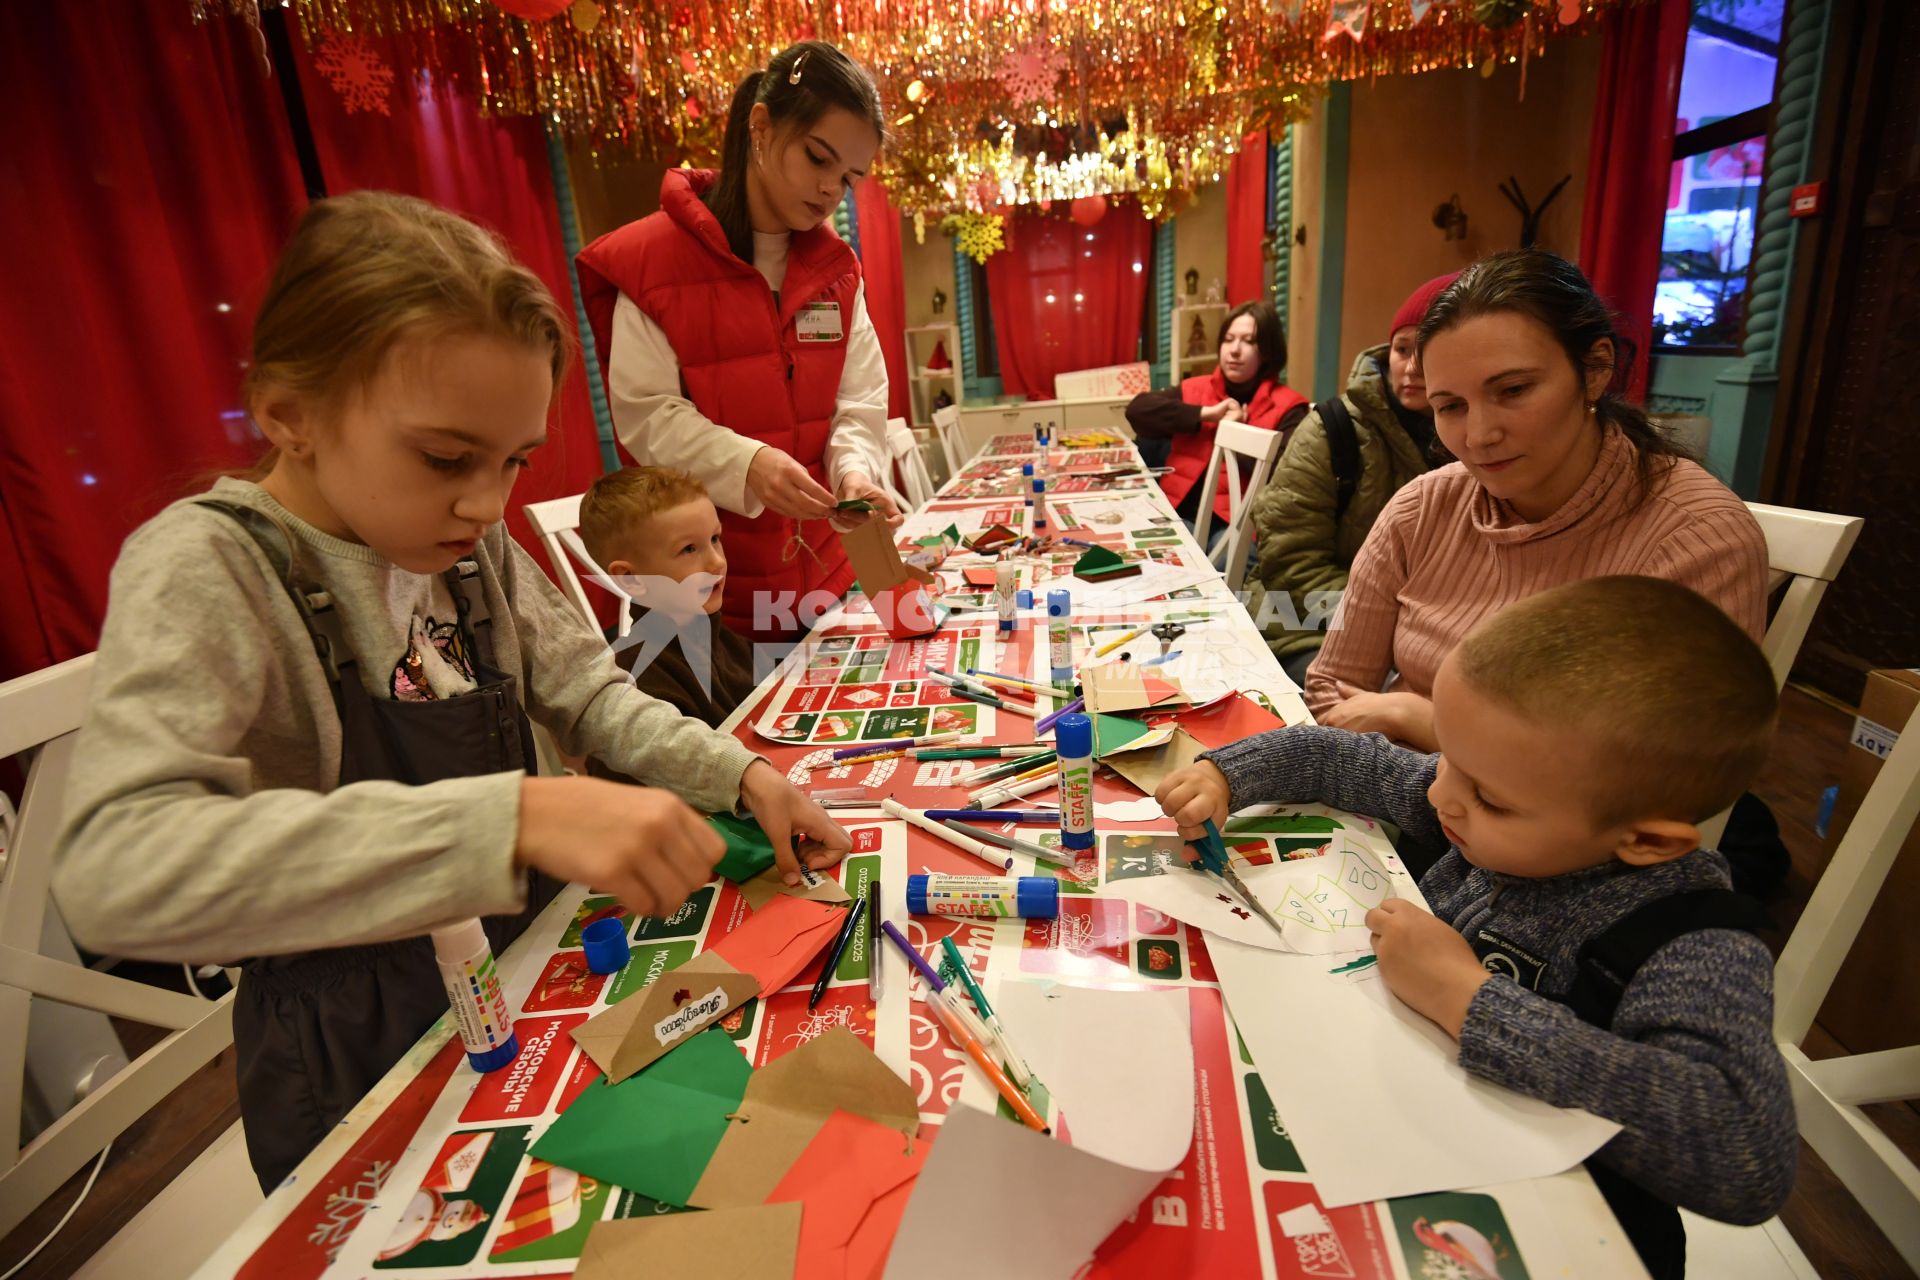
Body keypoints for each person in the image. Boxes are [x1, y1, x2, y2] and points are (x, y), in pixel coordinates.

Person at [50, 192, 850, 1191]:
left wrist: (743, 774)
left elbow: (594, 699)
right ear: (290, 412)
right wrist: (508, 814)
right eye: (445, 458)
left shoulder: (469, 552)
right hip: (359, 1045)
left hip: (532, 968)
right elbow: (111, 867)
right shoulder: (211, 566)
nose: (486, 501)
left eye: (514, 461)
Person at [1157, 577, 1797, 1279]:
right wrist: (1225, 776)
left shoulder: (1691, 940)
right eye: (1450, 759)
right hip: (1401, 1129)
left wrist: (1468, 1000)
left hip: (1560, 1232)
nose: (1439, 795)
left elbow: (1746, 1158)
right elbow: (1339, 757)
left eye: (1486, 796)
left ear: (1644, 841)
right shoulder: (1494, 802)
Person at [1306, 249, 1768, 753]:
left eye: (1514, 389)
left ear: (1595, 368)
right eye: (1451, 406)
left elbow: (1656, 772)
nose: (1479, 435)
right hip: (1384, 795)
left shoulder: (1696, 539)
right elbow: (1332, 691)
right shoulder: (1421, 509)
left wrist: (1421, 719)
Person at [576, 41, 900, 647]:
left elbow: (859, 401)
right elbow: (647, 416)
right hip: (719, 602)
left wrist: (854, 473)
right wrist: (746, 463)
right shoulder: (653, 261)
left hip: (831, 583)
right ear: (760, 124)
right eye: (818, 159)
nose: (832, 189)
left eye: (849, 178)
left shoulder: (836, 269)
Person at [1245, 272, 1458, 687]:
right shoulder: (1332, 429)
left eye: (1428, 351)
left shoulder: (1475, 440)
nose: (1411, 367)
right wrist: (1398, 625)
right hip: (1300, 619)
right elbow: (1290, 564)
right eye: (1401, 349)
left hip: (1427, 633)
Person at [578, 465, 757, 730]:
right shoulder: (641, 685)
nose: (717, 562)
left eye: (715, 538)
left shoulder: (718, 637)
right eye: (688, 549)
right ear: (631, 578)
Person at [1124, 298, 1309, 531]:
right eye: (1228, 340)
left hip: (1237, 526)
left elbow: (1289, 480)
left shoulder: (1289, 407)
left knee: (1220, 562)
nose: (1234, 350)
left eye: (1249, 341)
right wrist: (1206, 414)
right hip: (1176, 510)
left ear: (1268, 352)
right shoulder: (1197, 388)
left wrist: (1234, 435)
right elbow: (1138, 410)